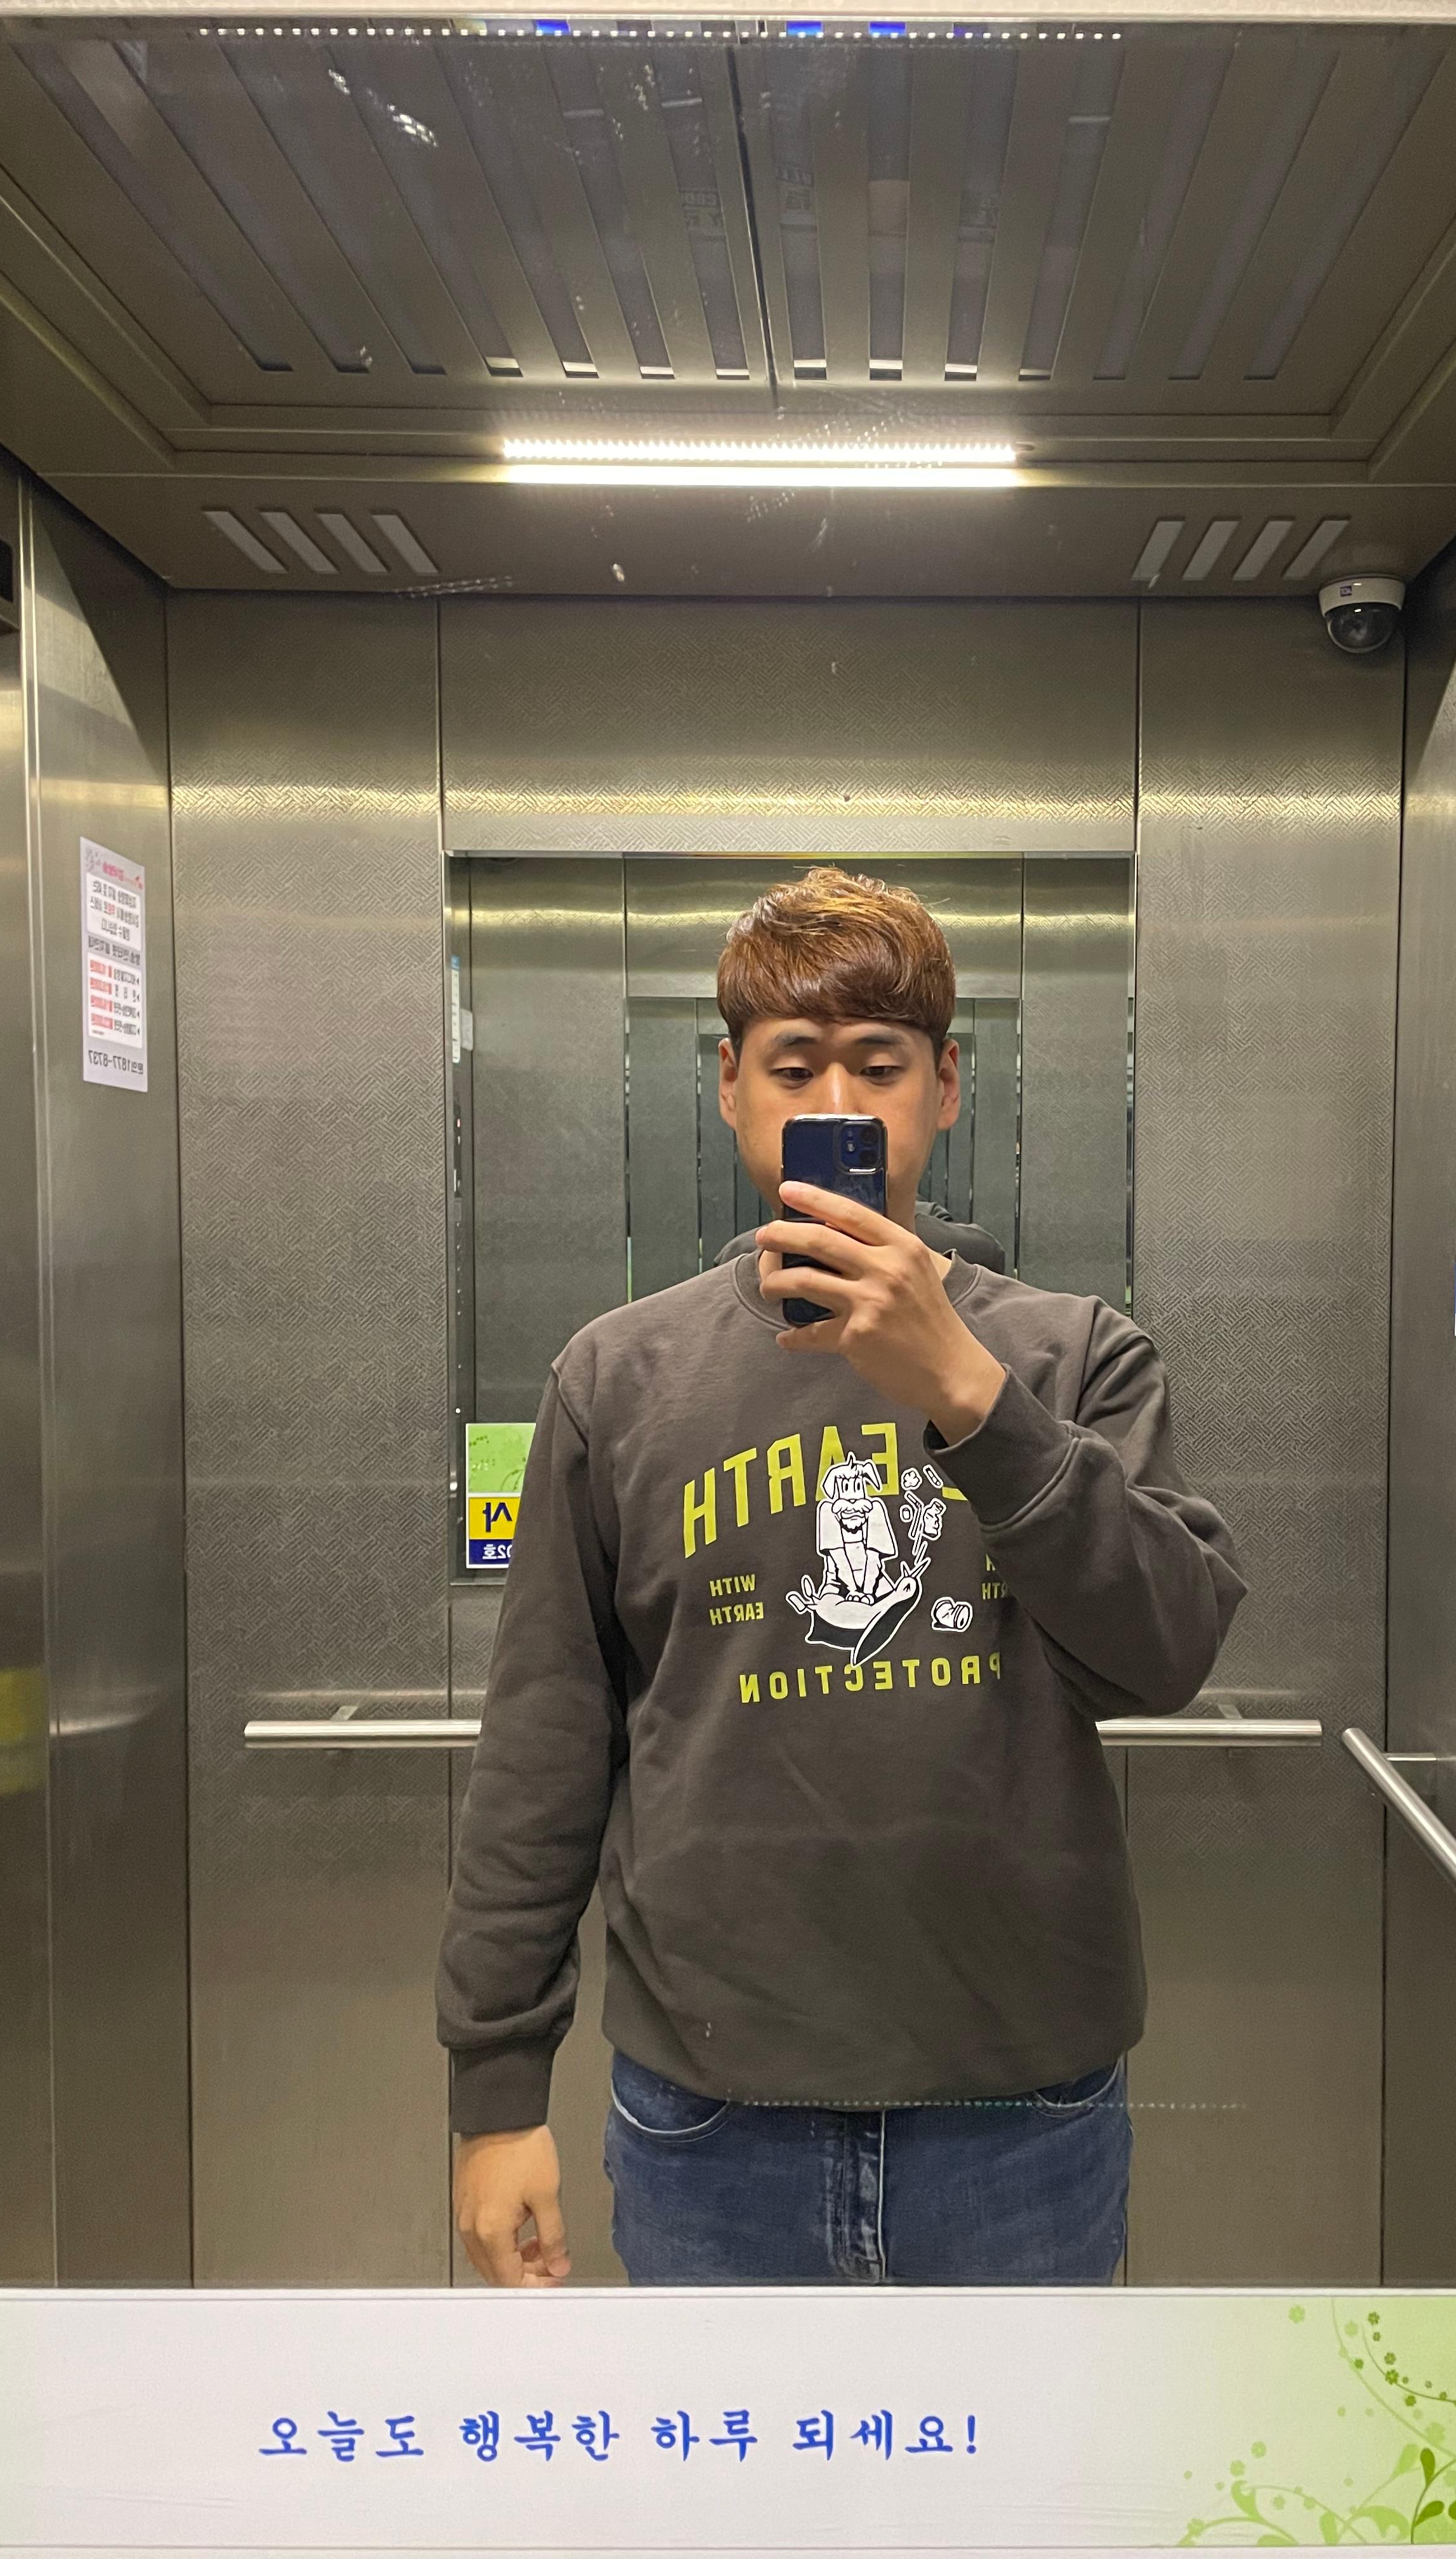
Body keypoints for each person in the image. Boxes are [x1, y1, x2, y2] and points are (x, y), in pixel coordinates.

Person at [438, 866, 1245, 2287]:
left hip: (1018, 2105)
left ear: (946, 1086)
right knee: (734, 2451)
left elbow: (1166, 1652)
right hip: (711, 2107)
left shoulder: (1074, 1357)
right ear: (731, 1088)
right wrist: (497, 2091)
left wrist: (969, 1395)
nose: (842, 1103)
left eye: (880, 1066)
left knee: (1019, 2449)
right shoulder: (617, 1378)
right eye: (795, 1065)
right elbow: (543, 1749)